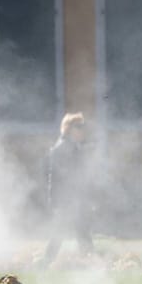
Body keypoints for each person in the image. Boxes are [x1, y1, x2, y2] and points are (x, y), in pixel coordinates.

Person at [42, 112, 94, 263]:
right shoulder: (63, 149)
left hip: (71, 201)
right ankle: (90, 263)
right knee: (70, 234)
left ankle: (46, 263)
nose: (82, 130)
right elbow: (59, 179)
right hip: (67, 202)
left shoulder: (71, 147)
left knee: (77, 233)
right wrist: (57, 203)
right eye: (79, 127)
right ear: (69, 129)